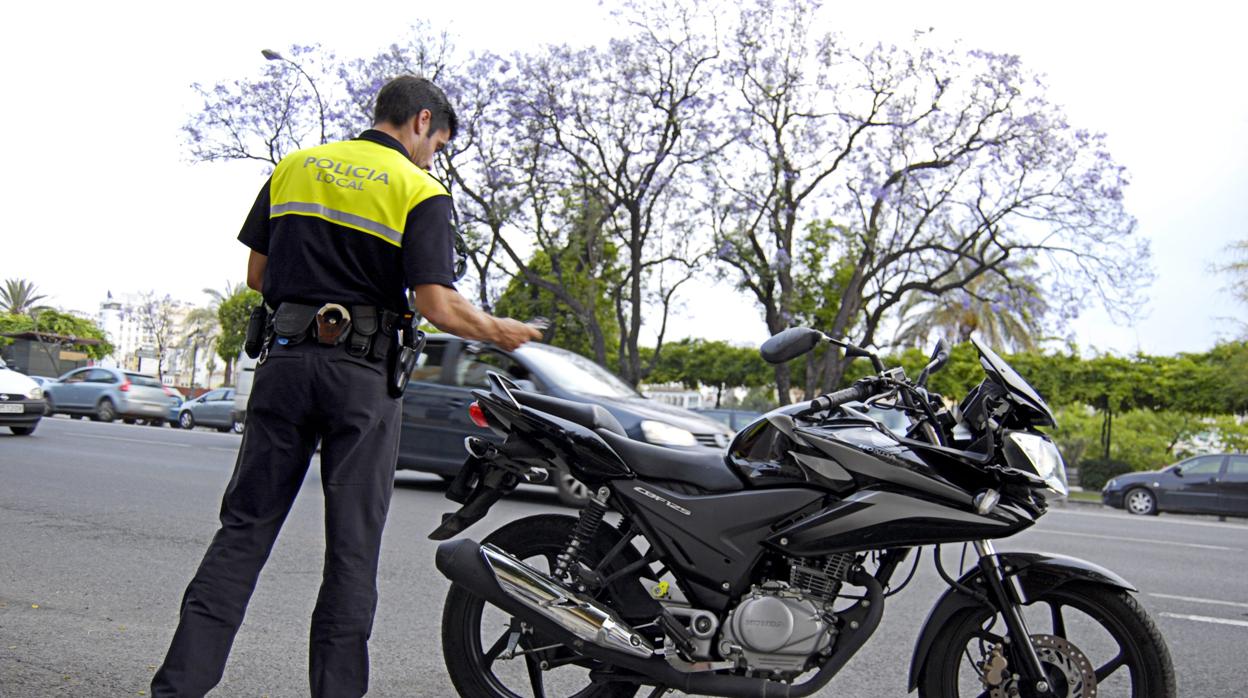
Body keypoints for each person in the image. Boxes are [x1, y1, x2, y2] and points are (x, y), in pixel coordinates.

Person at [151, 75, 540, 698]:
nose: (432, 155)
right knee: (352, 551)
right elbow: (437, 305)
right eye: (437, 143)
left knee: (244, 531)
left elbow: (258, 274)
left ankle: (178, 688)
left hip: (283, 365)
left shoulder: (296, 167)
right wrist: (497, 329)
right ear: (421, 121)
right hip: (362, 380)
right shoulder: (420, 190)